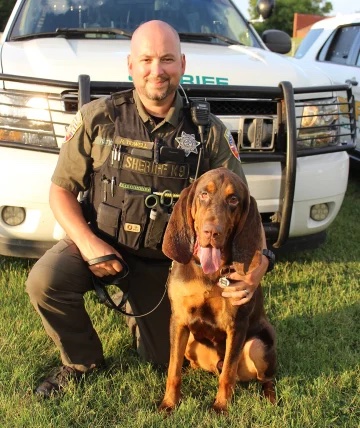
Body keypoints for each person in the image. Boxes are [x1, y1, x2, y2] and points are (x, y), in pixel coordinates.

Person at [26, 20, 273, 398]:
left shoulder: (208, 133)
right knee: (46, 279)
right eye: (146, 59)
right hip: (101, 243)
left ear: (182, 64)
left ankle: (138, 307)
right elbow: (60, 191)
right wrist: (89, 244)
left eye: (167, 59)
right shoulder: (99, 118)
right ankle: (81, 361)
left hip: (165, 265)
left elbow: (241, 208)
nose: (156, 70)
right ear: (130, 65)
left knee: (162, 355)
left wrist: (257, 269)